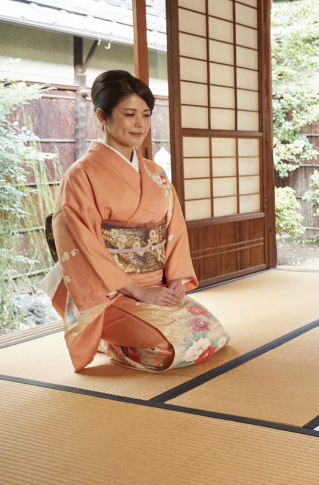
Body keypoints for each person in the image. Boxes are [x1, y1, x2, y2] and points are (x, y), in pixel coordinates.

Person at [42, 70, 229, 372]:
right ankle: (105, 337)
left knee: (209, 334)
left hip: (159, 283)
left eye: (145, 114)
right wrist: (140, 292)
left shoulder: (155, 173)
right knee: (170, 347)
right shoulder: (81, 175)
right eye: (129, 114)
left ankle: (121, 339)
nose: (139, 123)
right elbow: (81, 243)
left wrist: (177, 282)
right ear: (102, 116)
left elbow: (175, 229)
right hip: (111, 291)